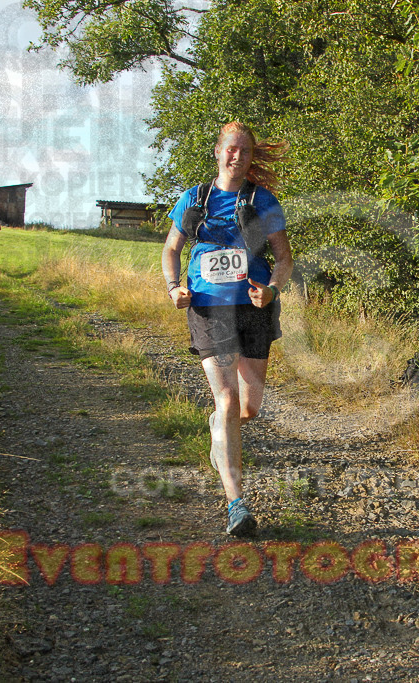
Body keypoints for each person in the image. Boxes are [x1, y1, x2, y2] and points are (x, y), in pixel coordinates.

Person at [161, 122, 293, 537]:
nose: (238, 157)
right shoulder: (194, 199)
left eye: (246, 152)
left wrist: (272, 290)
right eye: (231, 149)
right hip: (207, 308)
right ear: (218, 152)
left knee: (247, 408)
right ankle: (237, 503)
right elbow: (171, 248)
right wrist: (173, 288)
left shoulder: (263, 201)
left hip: (252, 308)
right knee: (227, 397)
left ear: (251, 158)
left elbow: (284, 258)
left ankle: (220, 427)